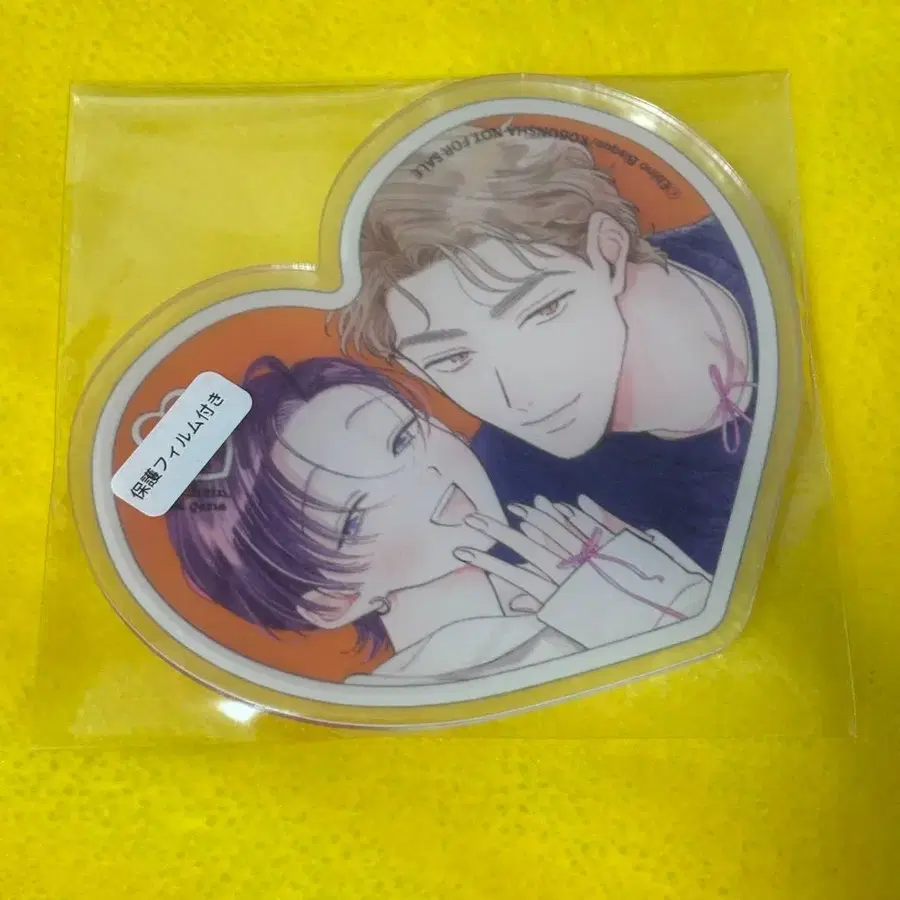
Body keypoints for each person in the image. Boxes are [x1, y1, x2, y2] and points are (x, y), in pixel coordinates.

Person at [335, 122, 758, 573]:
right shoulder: (514, 493)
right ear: (417, 369)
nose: (521, 396)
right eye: (452, 359)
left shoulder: (766, 254)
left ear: (608, 252)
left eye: (543, 310)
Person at [167, 355, 711, 684]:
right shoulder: (398, 710)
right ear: (330, 602)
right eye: (354, 515)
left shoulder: (599, 564)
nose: (425, 476)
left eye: (404, 437)